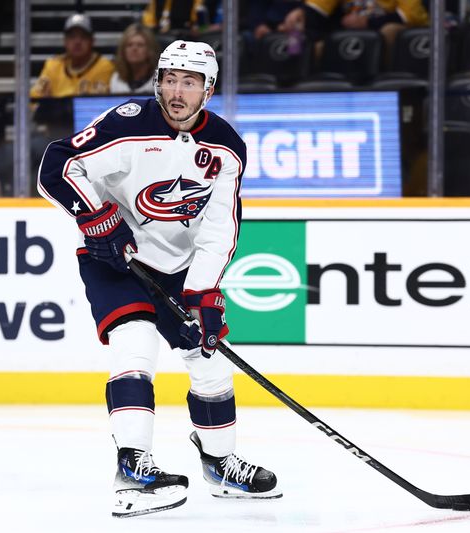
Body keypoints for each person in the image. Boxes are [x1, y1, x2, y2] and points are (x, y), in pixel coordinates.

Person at [37, 40, 281, 518]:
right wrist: (97, 216)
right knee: (136, 343)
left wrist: (205, 291)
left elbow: (219, 227)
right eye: (169, 79)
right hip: (116, 258)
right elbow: (57, 164)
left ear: (208, 91)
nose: (176, 91)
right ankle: (132, 470)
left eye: (189, 82)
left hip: (182, 268)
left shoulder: (227, 147)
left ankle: (220, 464)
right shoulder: (127, 124)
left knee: (208, 361)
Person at [30, 13, 114, 98]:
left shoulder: (105, 67)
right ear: (65, 41)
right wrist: (44, 102)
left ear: (92, 41)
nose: (77, 42)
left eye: (83, 36)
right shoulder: (52, 65)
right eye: (72, 37)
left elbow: (101, 104)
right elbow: (34, 99)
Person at [110, 23, 160, 94]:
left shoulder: (160, 78)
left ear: (150, 49)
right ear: (123, 50)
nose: (134, 49)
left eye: (140, 45)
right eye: (129, 45)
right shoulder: (116, 78)